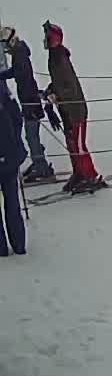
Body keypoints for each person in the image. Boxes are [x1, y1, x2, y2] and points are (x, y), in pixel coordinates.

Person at [40, 23, 103, 194]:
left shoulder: (60, 58)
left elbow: (69, 87)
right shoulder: (54, 57)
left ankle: (92, 176)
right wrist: (50, 91)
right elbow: (60, 82)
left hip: (76, 110)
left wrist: (56, 95)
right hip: (66, 109)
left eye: (47, 37)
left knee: (80, 145)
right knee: (72, 144)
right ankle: (79, 173)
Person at [0, 25, 54, 183]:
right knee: (31, 135)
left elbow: (17, 73)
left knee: (31, 137)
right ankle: (39, 162)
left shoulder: (20, 55)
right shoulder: (20, 52)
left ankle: (41, 168)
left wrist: (1, 75)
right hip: (29, 100)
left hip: (30, 101)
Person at [0, 64, 26, 255]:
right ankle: (18, 244)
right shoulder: (4, 95)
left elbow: (16, 119)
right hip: (9, 155)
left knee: (12, 202)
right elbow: (17, 119)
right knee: (12, 202)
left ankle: (5, 247)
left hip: (8, 154)